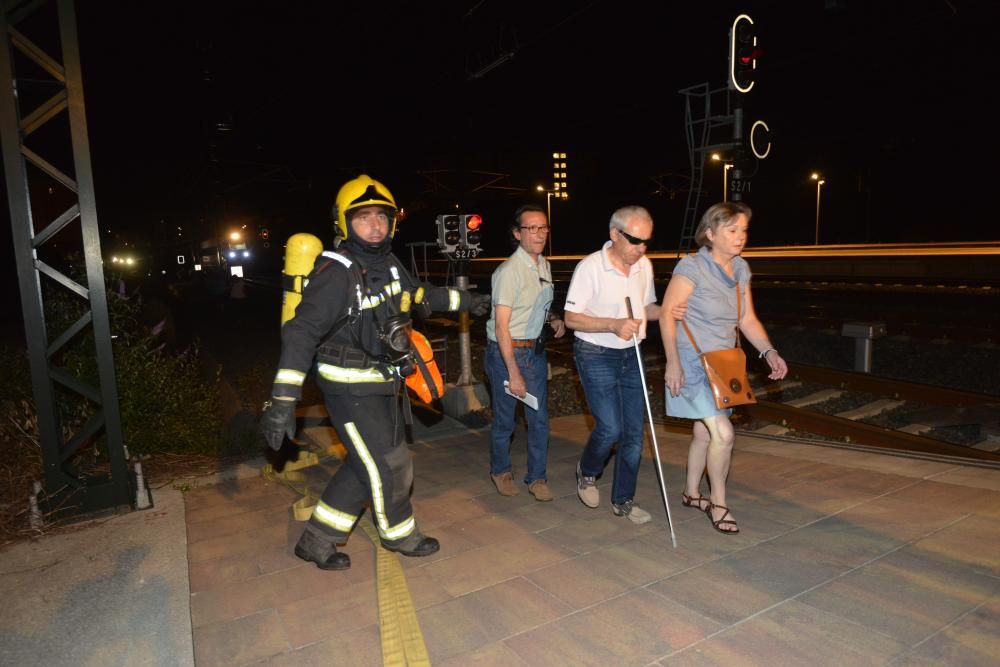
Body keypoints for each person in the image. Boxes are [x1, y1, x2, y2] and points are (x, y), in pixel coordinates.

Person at [258, 174, 491, 570]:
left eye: (381, 217)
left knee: (362, 464)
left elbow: (420, 295)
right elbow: (300, 335)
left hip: (384, 382)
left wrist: (468, 300)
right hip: (348, 390)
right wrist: (282, 401)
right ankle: (400, 534)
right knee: (392, 464)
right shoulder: (336, 273)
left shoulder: (390, 264)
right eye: (363, 217)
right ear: (344, 223)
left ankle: (316, 541)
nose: (375, 225)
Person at [659, 201, 787, 535]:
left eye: (744, 230)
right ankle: (719, 502)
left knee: (705, 432)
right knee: (724, 434)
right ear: (710, 233)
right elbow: (667, 316)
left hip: (723, 363)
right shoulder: (692, 268)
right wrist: (672, 362)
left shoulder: (741, 269)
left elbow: (746, 318)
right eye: (732, 230)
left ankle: (690, 493)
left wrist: (768, 351)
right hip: (692, 360)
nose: (740, 236)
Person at [564, 206, 661, 524]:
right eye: (635, 240)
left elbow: (647, 307)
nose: (641, 248)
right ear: (614, 234)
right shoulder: (590, 267)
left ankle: (623, 500)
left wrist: (673, 309)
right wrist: (612, 324)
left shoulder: (644, 265)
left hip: (632, 353)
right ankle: (587, 471)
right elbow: (571, 318)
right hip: (596, 354)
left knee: (634, 433)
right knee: (609, 428)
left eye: (646, 241)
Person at [484, 204, 566, 500]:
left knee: (539, 419)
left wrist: (553, 319)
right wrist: (514, 372)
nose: (539, 233)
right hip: (507, 353)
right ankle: (500, 470)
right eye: (531, 228)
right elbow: (503, 328)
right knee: (505, 420)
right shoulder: (508, 272)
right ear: (517, 233)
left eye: (543, 227)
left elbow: (538, 308)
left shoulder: (543, 265)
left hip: (534, 350)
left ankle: (537, 478)